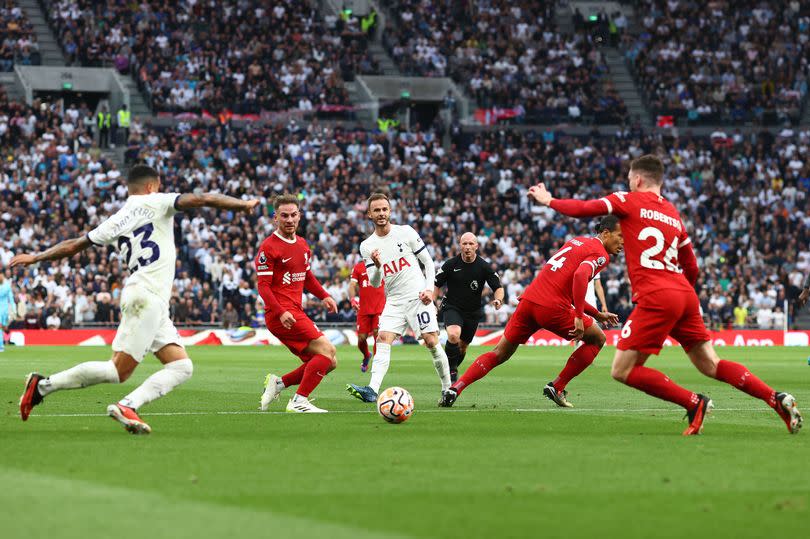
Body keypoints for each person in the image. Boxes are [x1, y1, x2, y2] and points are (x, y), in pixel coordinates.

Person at [526, 154, 802, 434]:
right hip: (684, 293)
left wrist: (549, 201)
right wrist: (683, 297)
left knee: (622, 370)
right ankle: (775, 398)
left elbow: (585, 208)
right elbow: (691, 266)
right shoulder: (672, 213)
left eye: (630, 180)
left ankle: (694, 403)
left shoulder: (627, 200)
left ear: (637, 179)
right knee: (711, 363)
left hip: (657, 295)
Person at [14, 164, 259, 434]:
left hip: (149, 298)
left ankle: (128, 404)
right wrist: (242, 204)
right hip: (147, 296)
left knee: (181, 366)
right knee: (117, 371)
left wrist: (36, 257)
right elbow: (203, 198)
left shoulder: (116, 220)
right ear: (152, 186)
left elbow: (73, 245)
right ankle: (42, 386)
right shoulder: (158, 201)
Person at [440, 216, 624, 408]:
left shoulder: (576, 241)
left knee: (499, 353)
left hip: (529, 301)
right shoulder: (601, 253)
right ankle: (558, 386)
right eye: (620, 236)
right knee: (598, 339)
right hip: (552, 307)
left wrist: (596, 314)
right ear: (605, 233)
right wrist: (578, 316)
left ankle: (455, 389)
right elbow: (580, 276)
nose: (623, 242)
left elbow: (566, 286)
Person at [346, 193, 452, 404]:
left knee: (431, 341)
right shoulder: (367, 246)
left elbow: (429, 263)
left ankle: (448, 389)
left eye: (384, 209)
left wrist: (430, 290)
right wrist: (376, 266)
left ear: (390, 211)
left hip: (417, 298)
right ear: (369, 214)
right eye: (376, 210)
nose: (381, 213)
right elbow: (375, 283)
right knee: (383, 338)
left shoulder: (405, 232)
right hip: (393, 301)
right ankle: (372, 390)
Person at [257, 194, 338, 413]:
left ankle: (279, 383)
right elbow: (263, 286)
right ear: (275, 218)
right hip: (280, 315)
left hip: (294, 311)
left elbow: (307, 276)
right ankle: (298, 401)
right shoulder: (269, 247)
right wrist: (281, 311)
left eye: (293, 215)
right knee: (327, 350)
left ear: (299, 216)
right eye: (284, 215)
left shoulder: (302, 245)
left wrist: (324, 296)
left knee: (329, 362)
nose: (289, 219)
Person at [433, 232, 504, 382]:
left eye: (471, 244)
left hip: (472, 312)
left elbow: (498, 287)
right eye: (464, 244)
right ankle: (451, 372)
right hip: (452, 307)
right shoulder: (450, 264)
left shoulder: (484, 266)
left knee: (463, 347)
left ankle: (450, 368)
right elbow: (436, 284)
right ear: (460, 245)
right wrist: (433, 303)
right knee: (453, 335)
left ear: (476, 246)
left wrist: (498, 299)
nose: (467, 247)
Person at [349, 260, 385, 372]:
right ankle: (366, 355)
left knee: (377, 334)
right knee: (361, 338)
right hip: (363, 309)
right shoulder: (358, 267)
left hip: (379, 308)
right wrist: (352, 299)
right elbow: (352, 285)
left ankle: (377, 364)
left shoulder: (383, 264)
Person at [0, 270, 15, 352]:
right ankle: (1, 346)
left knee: (2, 328)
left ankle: (1, 346)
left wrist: (14, 309)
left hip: (4, 310)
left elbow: (11, 298)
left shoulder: (7, 286)